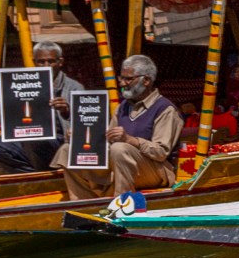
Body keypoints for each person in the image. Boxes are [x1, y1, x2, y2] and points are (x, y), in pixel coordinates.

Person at [55, 53, 180, 199]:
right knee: (68, 150)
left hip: (156, 172)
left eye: (128, 79)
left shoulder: (165, 109)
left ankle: (122, 202)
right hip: (122, 166)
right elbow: (107, 141)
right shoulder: (123, 107)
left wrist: (129, 140)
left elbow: (161, 152)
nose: (122, 83)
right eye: (121, 78)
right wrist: (79, 138)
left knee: (120, 149)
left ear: (146, 80)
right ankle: (83, 202)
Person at [0, 41, 83, 173]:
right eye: (41, 62)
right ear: (34, 62)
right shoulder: (22, 84)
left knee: (36, 138)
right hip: (26, 140)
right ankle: (32, 173)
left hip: (58, 142)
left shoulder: (73, 87)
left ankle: (41, 171)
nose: (46, 66)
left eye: (51, 61)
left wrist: (66, 111)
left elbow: (86, 122)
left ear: (60, 62)